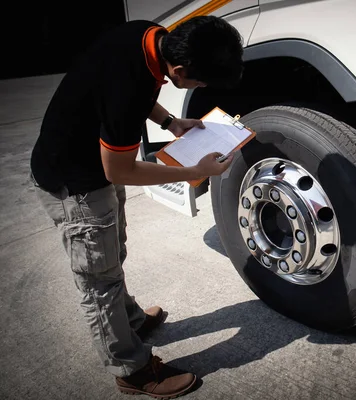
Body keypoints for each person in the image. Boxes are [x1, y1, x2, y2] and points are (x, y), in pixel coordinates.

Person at [29, 15, 243, 398]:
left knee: (113, 252)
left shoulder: (149, 35)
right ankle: (132, 371)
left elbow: (136, 96)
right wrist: (194, 170)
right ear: (178, 69)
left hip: (91, 167)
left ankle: (129, 321)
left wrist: (171, 122)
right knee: (99, 279)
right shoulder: (129, 83)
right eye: (199, 81)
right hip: (73, 181)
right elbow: (120, 168)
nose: (201, 87)